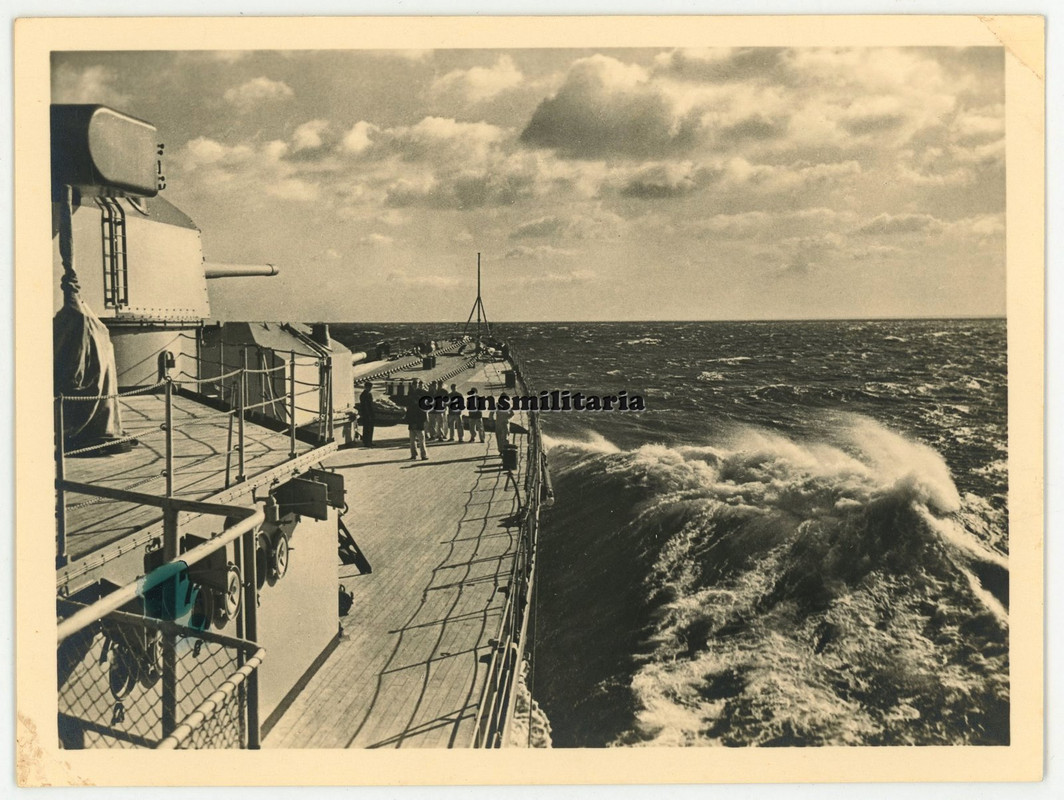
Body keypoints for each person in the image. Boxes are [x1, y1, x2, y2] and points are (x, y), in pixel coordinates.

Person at [404, 379, 429, 460]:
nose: (415, 385)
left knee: (421, 439)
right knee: (412, 440)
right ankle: (414, 454)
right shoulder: (410, 394)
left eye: (416, 384)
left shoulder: (421, 393)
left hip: (418, 420)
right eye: (414, 384)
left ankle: (423, 455)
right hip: (412, 419)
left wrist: (424, 419)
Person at [358, 381, 376, 447]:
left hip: (370, 413)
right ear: (366, 387)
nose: (370, 388)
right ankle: (366, 442)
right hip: (366, 414)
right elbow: (365, 406)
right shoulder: (364, 395)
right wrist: (368, 414)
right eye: (369, 387)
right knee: (367, 428)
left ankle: (369, 441)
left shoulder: (369, 394)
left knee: (370, 428)